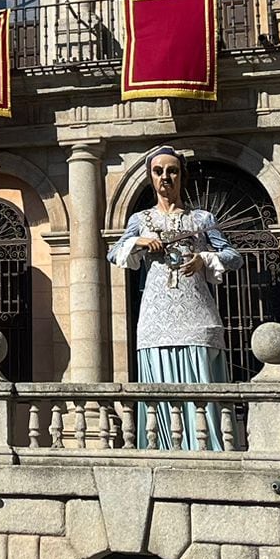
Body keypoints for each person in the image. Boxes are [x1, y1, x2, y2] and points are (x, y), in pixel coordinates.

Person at [109, 145, 240, 450]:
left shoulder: (202, 219)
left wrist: (204, 259)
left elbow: (233, 257)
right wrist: (140, 242)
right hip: (156, 316)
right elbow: (113, 253)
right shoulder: (140, 220)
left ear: (182, 175)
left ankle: (209, 449)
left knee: (203, 384)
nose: (165, 177)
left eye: (172, 171)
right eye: (158, 172)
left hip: (198, 314)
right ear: (150, 178)